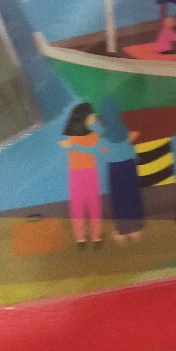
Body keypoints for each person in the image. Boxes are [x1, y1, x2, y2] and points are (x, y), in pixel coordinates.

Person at [59, 102, 108, 248]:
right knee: (94, 205)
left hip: (75, 174)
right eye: (91, 115)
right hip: (90, 173)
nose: (93, 117)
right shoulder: (93, 136)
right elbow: (101, 150)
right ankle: (96, 237)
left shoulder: (71, 137)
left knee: (77, 206)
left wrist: (72, 145)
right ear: (85, 117)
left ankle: (80, 238)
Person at [98, 97, 143, 243]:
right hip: (129, 166)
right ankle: (136, 229)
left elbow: (102, 151)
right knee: (132, 196)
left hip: (115, 168)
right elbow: (131, 145)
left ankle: (122, 230)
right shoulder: (124, 129)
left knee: (119, 199)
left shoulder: (105, 134)